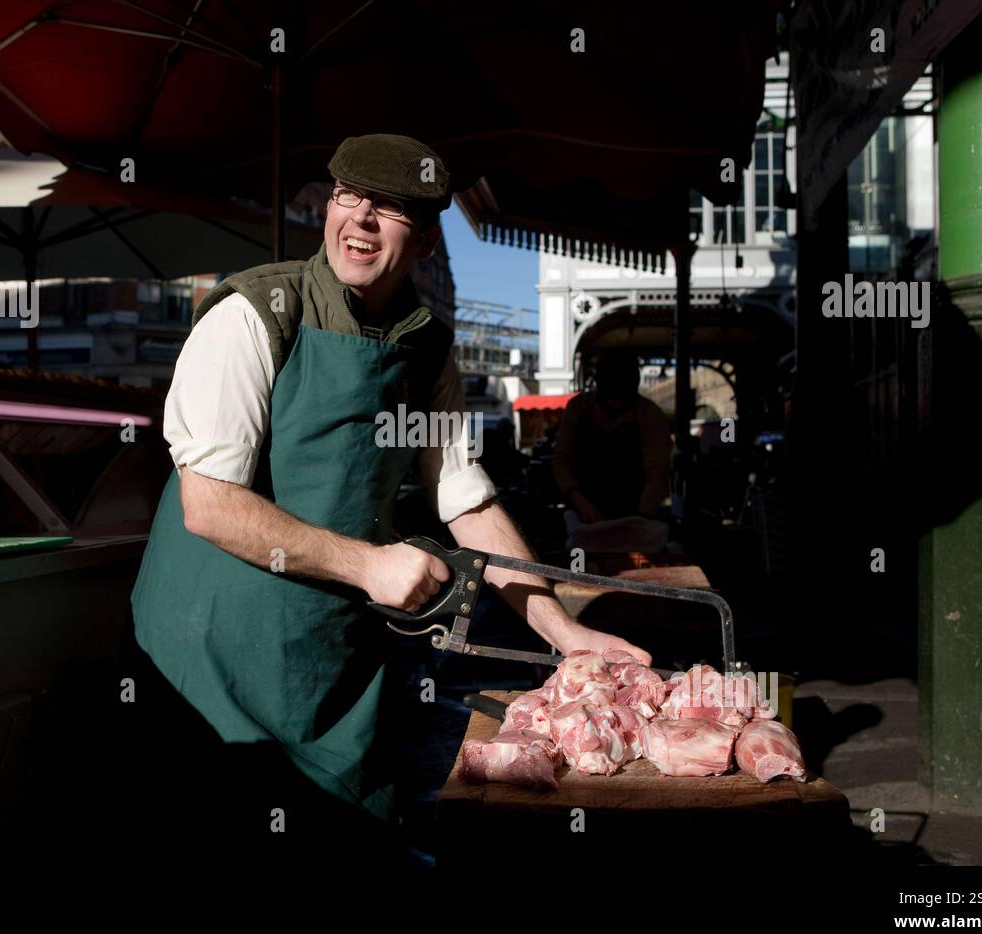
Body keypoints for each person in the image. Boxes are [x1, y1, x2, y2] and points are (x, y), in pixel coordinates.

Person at [130, 134, 651, 855]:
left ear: (429, 238)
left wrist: (564, 633)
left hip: (328, 656)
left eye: (392, 208)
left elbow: (465, 501)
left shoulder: (428, 351)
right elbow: (209, 504)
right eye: (351, 195)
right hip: (214, 644)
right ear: (328, 205)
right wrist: (371, 566)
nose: (362, 219)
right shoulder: (254, 314)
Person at [552, 350, 672, 524]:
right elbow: (560, 461)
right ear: (599, 383)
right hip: (582, 516)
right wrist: (580, 502)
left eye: (622, 403)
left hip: (636, 513)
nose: (616, 408)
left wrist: (641, 517)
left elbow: (657, 471)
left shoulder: (650, 415)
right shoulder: (578, 408)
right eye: (610, 402)